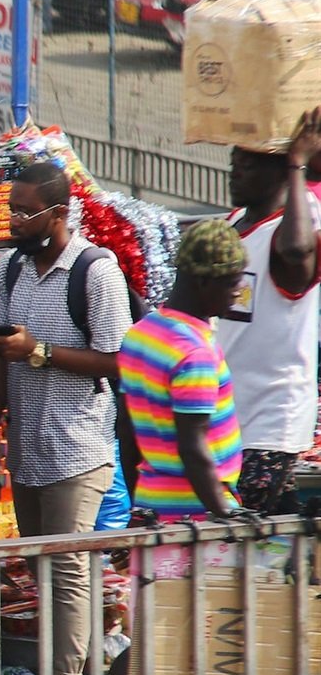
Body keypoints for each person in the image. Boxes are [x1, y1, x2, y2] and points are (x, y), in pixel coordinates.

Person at [0, 161, 133, 675]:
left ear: (59, 213)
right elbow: (0, 350)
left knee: (69, 567)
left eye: (26, 211)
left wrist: (40, 352)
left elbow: (119, 360)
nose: (16, 220)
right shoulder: (12, 268)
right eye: (12, 209)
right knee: (47, 569)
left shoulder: (96, 272)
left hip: (81, 444)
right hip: (28, 444)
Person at [216, 111, 321, 515]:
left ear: (278, 171)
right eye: (233, 165)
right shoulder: (233, 224)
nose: (234, 174)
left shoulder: (295, 223)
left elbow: (297, 253)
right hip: (226, 416)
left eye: (247, 166)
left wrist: (298, 163)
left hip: (271, 420)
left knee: (256, 539)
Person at [118, 220, 248, 520]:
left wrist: (140, 502)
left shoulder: (140, 334)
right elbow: (192, 446)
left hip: (153, 503)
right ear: (204, 281)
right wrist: (223, 512)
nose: (239, 292)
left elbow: (126, 428)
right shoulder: (193, 351)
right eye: (232, 282)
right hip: (197, 515)